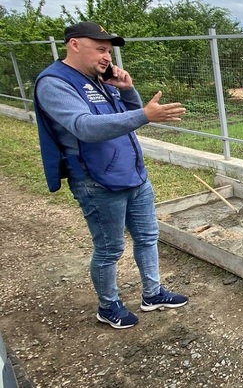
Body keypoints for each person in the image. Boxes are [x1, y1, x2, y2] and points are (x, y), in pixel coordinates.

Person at [33, 21, 189, 329]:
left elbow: (126, 118)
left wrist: (128, 91)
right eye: (101, 49)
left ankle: (153, 293)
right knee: (109, 249)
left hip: (132, 174)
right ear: (74, 44)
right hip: (96, 181)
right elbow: (85, 127)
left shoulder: (100, 80)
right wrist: (144, 115)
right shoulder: (55, 83)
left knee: (147, 236)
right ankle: (108, 306)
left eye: (109, 51)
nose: (107, 57)